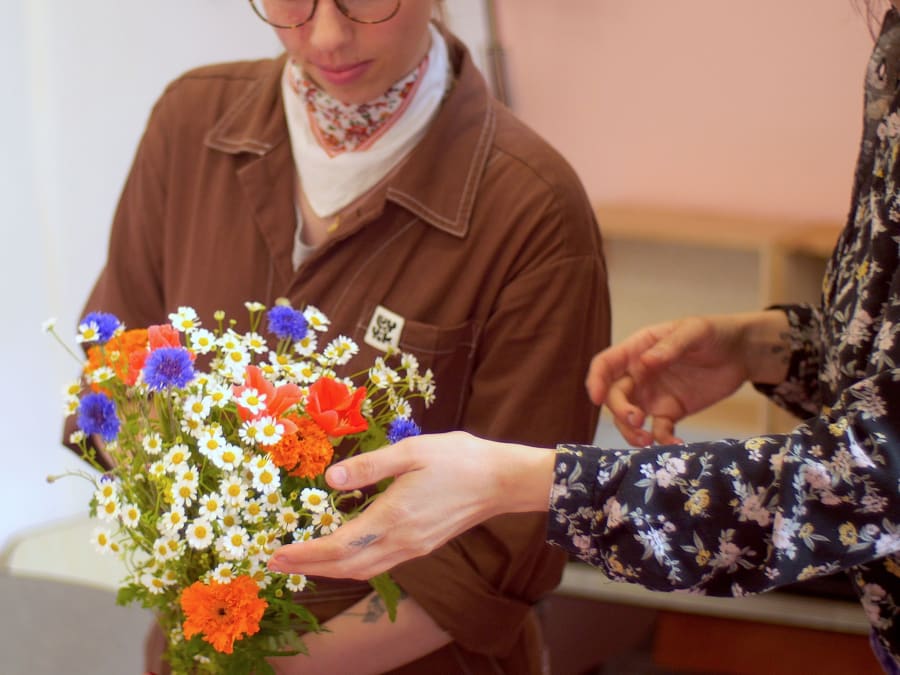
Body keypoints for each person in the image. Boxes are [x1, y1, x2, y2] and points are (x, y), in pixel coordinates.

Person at [267, 1, 900, 670]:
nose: (328, 35)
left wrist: (526, 480)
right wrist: (775, 346)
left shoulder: (531, 204)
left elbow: (869, 476)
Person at [73, 1, 610, 673]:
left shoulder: (534, 211)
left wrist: (267, 667)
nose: (326, 35)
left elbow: (501, 551)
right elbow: (111, 372)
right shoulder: (191, 125)